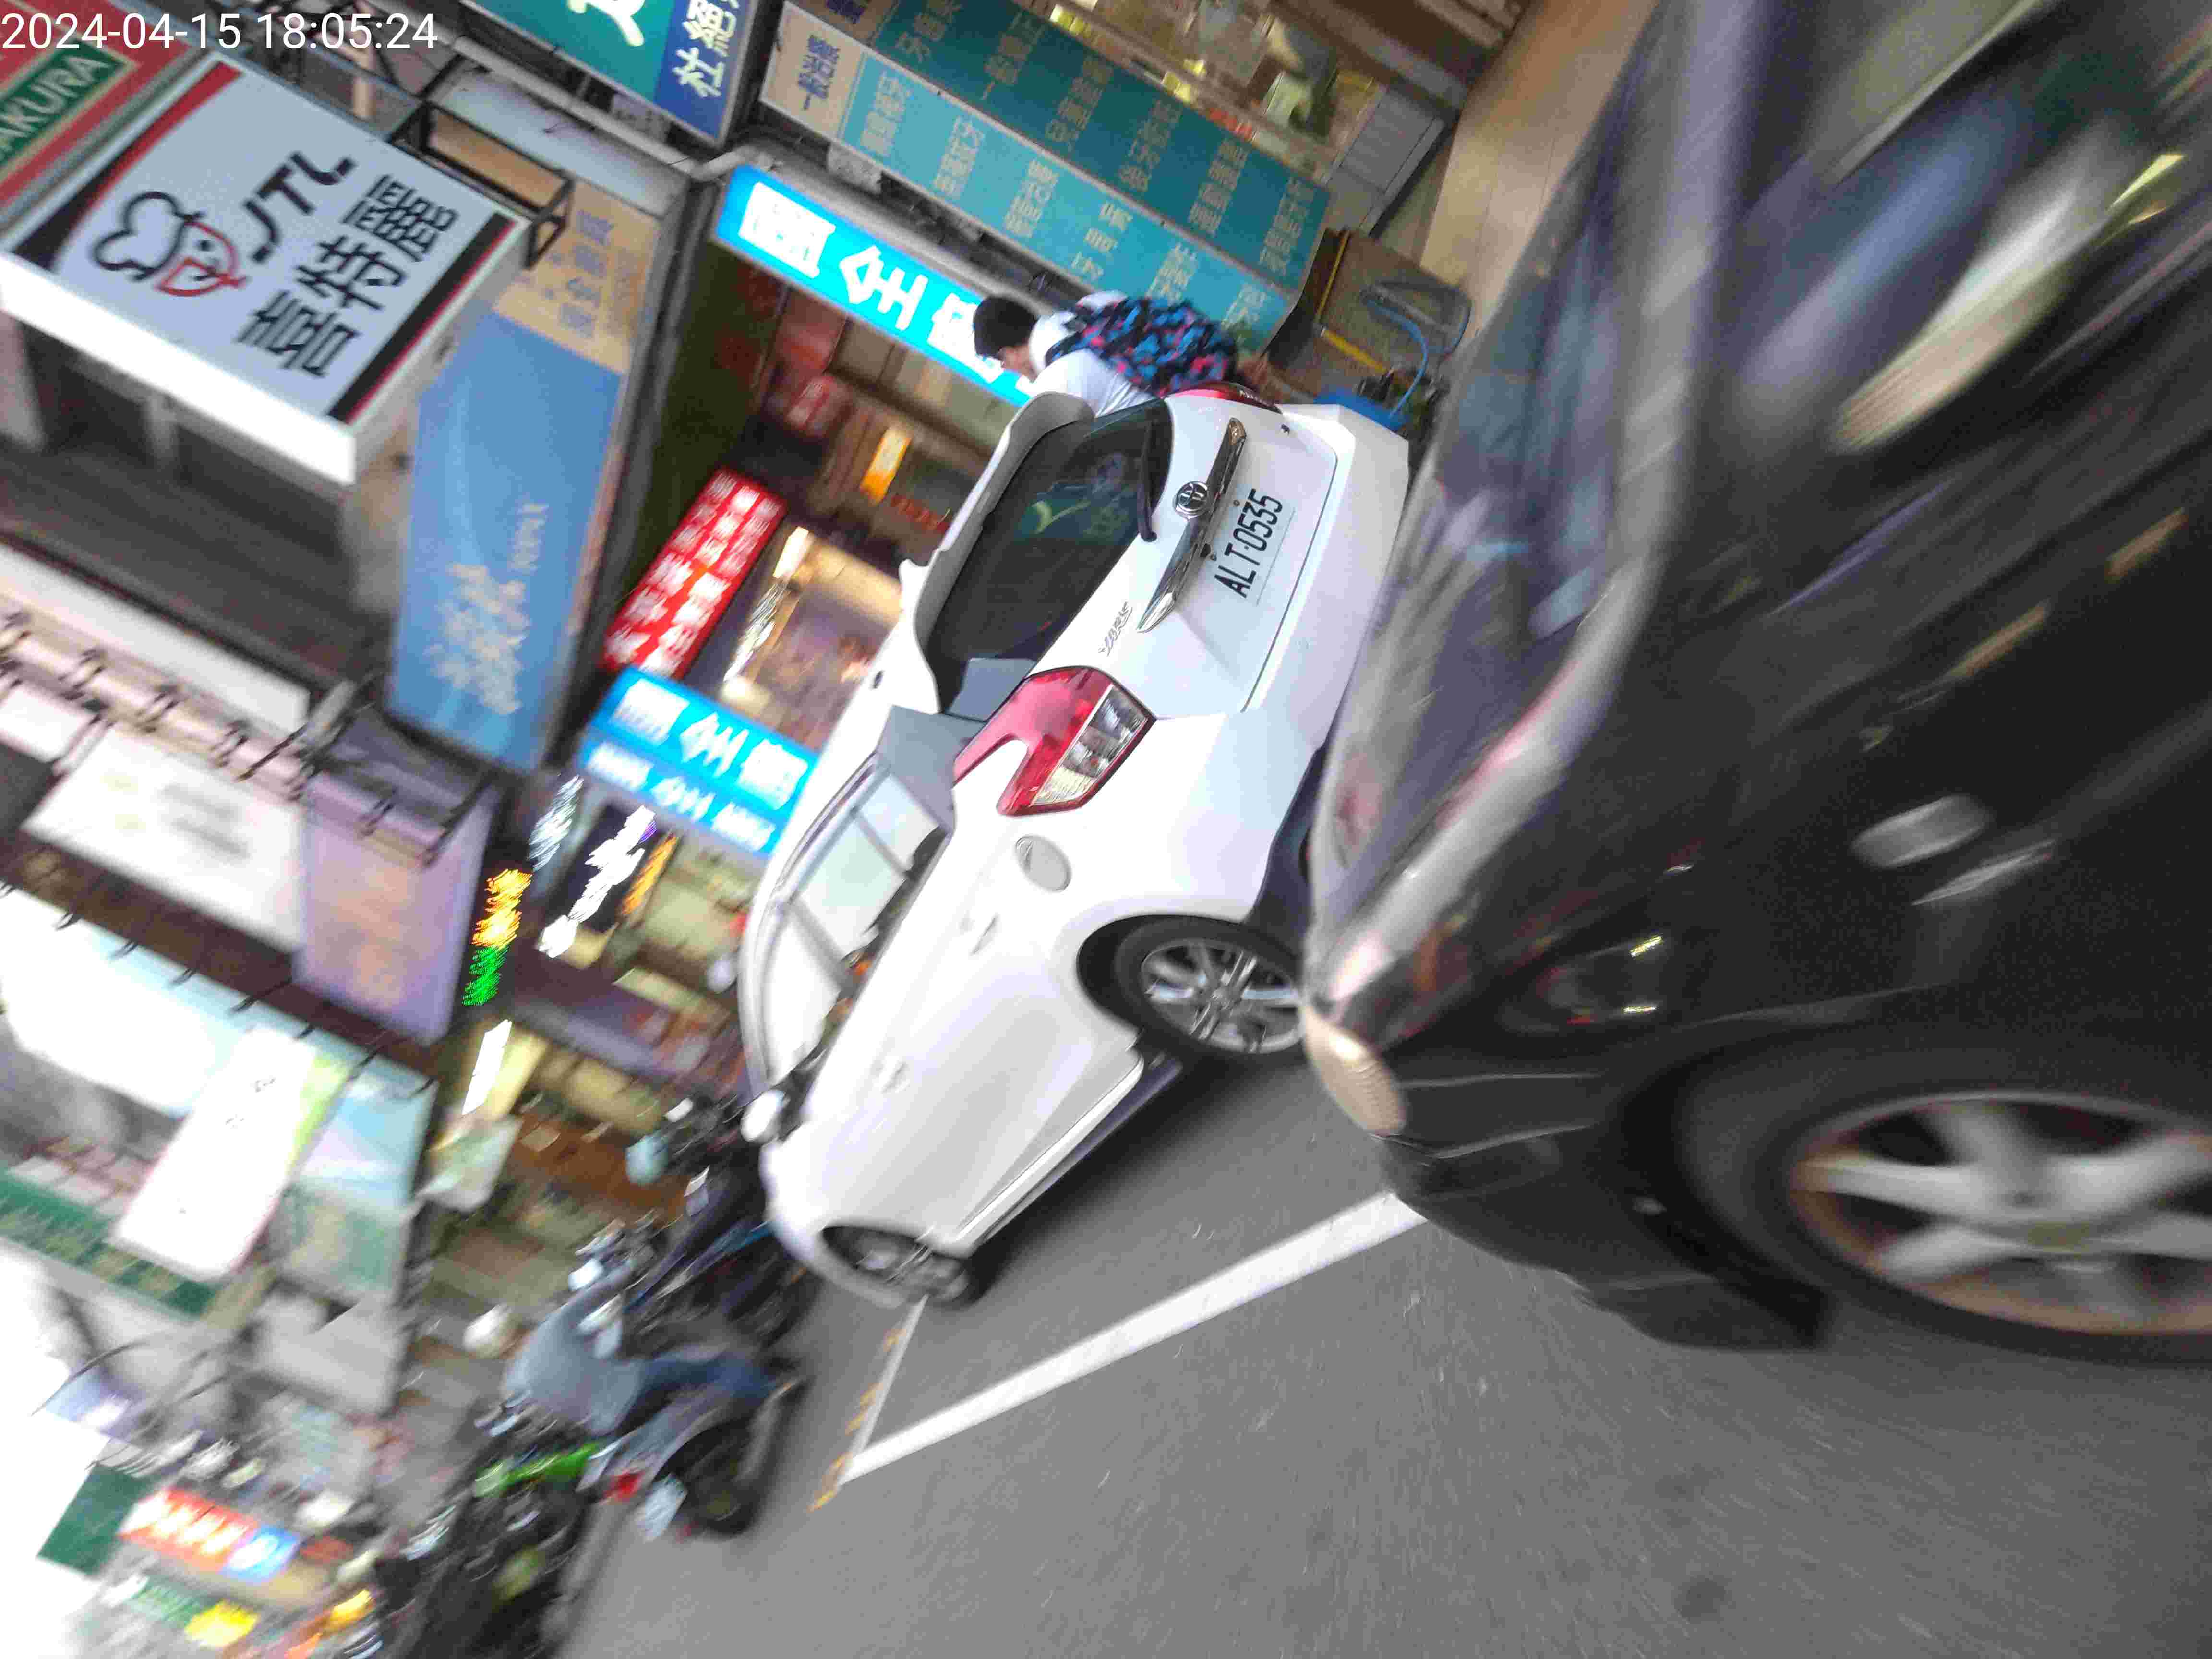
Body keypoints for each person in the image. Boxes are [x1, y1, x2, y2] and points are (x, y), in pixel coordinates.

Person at [973, 292, 1154, 416]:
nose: (1006, 368)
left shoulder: (1051, 393)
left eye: (1002, 362)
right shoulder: (1098, 303)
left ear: (1009, 353)